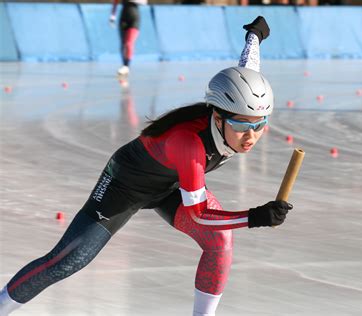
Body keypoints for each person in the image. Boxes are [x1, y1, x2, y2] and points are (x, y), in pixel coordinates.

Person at [0, 16, 293, 316]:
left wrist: (254, 36)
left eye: (260, 125)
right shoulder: (188, 143)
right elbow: (200, 215)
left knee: (220, 241)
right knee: (68, 261)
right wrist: (253, 217)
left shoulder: (238, 103)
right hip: (125, 185)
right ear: (218, 117)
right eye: (242, 126)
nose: (251, 136)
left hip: (173, 183)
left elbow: (247, 69)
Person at [109, 0, 148, 77]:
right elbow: (115, 2)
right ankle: (124, 65)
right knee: (123, 44)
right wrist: (112, 16)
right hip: (124, 17)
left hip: (134, 18)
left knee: (129, 43)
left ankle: (127, 66)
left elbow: (144, 2)